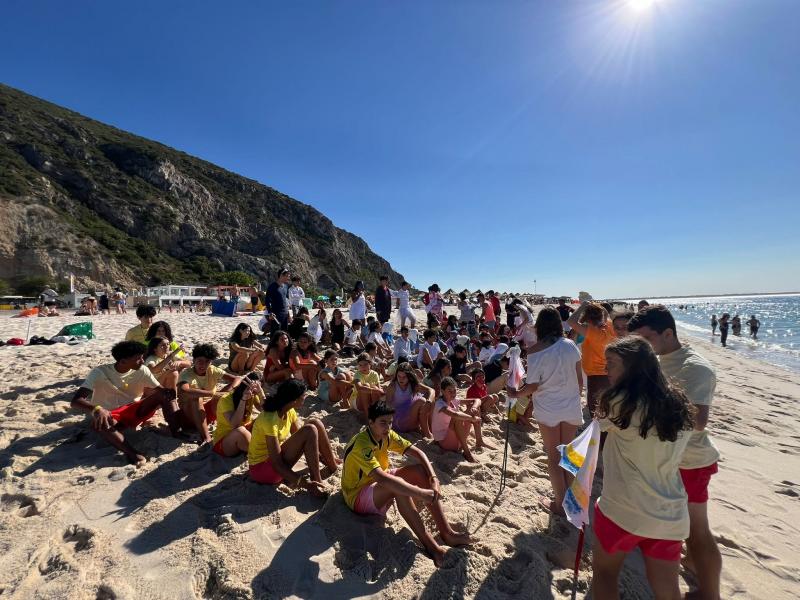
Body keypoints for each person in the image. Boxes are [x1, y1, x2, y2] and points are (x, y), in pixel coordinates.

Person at [628, 306, 722, 600]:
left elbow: (698, 420)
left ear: (668, 333)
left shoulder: (694, 367)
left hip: (690, 462)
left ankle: (710, 594)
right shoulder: (656, 360)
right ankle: (693, 567)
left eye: (646, 339)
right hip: (662, 461)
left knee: (698, 533)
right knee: (671, 531)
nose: (641, 347)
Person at [591, 336, 695, 600]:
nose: (606, 370)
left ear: (632, 366)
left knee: (604, 575)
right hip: (669, 513)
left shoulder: (618, 402)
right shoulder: (678, 402)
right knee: (668, 591)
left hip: (621, 509)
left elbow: (593, 431)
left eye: (612, 363)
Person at [341, 401, 473, 566]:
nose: (387, 427)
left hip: (376, 482)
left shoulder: (385, 434)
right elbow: (382, 479)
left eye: (390, 422)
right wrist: (420, 493)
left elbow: (418, 452)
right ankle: (433, 548)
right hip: (357, 495)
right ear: (370, 422)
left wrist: (433, 478)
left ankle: (447, 533)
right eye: (383, 423)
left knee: (419, 470)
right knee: (398, 486)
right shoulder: (362, 444)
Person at [506, 307, 583, 513]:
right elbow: (579, 381)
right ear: (559, 324)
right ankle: (572, 501)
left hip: (548, 408)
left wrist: (515, 394)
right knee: (567, 454)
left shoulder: (535, 351)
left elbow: (532, 386)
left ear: (540, 326)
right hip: (571, 406)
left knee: (554, 457)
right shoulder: (571, 345)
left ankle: (559, 504)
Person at [70, 341, 182, 465]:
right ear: (123, 361)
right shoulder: (100, 372)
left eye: (142, 357)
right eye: (138, 358)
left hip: (134, 409)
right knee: (103, 421)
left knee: (165, 395)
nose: (142, 360)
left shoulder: (142, 370)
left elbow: (160, 390)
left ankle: (177, 431)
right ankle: (132, 453)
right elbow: (76, 401)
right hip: (111, 414)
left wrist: (171, 393)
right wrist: (97, 408)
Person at [248, 379, 338, 497]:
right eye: (304, 396)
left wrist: (321, 456)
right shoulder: (269, 420)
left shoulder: (289, 410)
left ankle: (333, 466)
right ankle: (317, 482)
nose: (305, 397)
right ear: (294, 400)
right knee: (310, 429)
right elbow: (277, 464)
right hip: (262, 470)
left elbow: (303, 439)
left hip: (275, 463)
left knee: (315, 423)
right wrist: (305, 484)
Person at [178, 344, 241, 444]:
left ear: (211, 362)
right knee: (197, 398)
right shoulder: (187, 373)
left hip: (208, 412)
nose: (203, 365)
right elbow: (184, 390)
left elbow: (237, 379)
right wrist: (212, 393)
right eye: (200, 361)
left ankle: (228, 427)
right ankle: (206, 437)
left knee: (227, 393)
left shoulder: (212, 370)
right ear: (194, 360)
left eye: (207, 361)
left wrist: (226, 391)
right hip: (189, 416)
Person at [567, 302, 616, 417]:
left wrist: (583, 306)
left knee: (596, 412)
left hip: (596, 376)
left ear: (587, 317)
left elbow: (571, 321)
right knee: (608, 409)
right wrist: (603, 310)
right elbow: (606, 315)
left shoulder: (593, 332)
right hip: (611, 373)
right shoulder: (610, 327)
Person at [213, 372, 263, 457]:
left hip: (245, 429)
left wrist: (261, 393)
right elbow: (234, 425)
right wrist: (243, 400)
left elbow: (266, 410)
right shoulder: (226, 400)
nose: (254, 392)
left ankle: (254, 448)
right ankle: (258, 451)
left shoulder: (253, 394)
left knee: (263, 418)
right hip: (225, 441)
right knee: (240, 431)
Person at [383, 362, 434, 436]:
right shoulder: (393, 386)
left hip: (410, 417)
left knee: (430, 399)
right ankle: (427, 433)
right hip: (398, 421)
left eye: (404, 377)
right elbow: (387, 407)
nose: (401, 379)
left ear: (409, 377)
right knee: (421, 400)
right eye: (399, 376)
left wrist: (429, 401)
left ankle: (429, 428)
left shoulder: (412, 384)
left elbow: (432, 390)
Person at [349, 352, 385, 419]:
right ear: (358, 366)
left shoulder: (374, 374)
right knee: (366, 386)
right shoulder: (357, 374)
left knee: (375, 387)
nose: (363, 367)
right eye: (360, 365)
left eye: (365, 364)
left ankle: (374, 413)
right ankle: (367, 415)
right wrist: (375, 390)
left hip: (370, 401)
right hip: (358, 402)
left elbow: (379, 390)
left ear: (370, 364)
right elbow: (359, 388)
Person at [265, 268, 291, 332]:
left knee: (284, 332)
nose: (288, 278)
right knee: (275, 333)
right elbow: (267, 301)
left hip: (284, 313)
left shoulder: (286, 286)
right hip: (275, 314)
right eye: (287, 276)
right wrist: (270, 312)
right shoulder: (272, 286)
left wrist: (288, 314)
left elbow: (285, 301)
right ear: (281, 275)